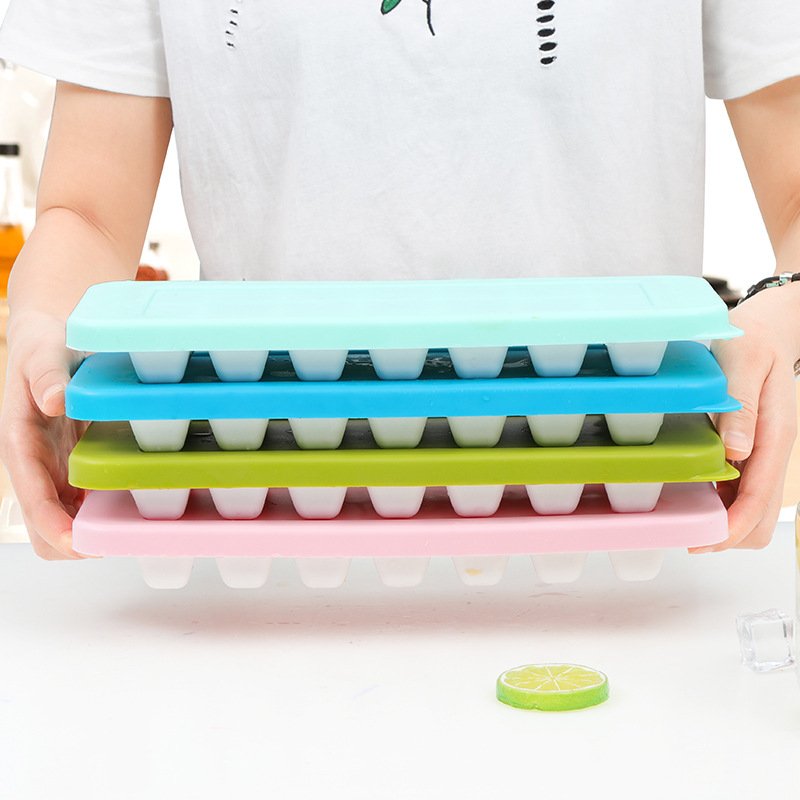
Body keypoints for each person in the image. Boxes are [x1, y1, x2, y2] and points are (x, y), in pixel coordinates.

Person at [0, 1, 799, 561]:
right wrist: (42, 323)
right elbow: (89, 214)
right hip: (259, 528)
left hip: (634, 524)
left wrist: (787, 305)